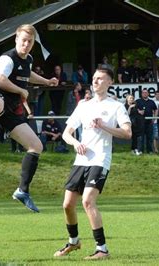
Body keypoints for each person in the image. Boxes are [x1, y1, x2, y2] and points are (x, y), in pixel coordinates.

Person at [0, 24, 58, 212]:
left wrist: (46, 81)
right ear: (16, 39)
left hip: (12, 110)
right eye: (23, 40)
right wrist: (21, 90)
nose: (26, 44)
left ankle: (22, 191)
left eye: (30, 41)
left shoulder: (28, 59)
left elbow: (27, 74)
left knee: (36, 146)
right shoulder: (7, 58)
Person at [54, 68, 131, 260]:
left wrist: (104, 126)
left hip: (100, 160)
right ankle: (73, 242)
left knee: (87, 200)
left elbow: (127, 133)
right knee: (67, 205)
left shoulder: (116, 106)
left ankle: (102, 249)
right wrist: (76, 143)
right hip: (81, 161)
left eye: (100, 78)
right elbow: (66, 133)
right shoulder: (83, 105)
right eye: (94, 78)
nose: (95, 81)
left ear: (110, 82)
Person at [136, 89, 157, 154]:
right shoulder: (138, 101)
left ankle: (150, 150)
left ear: (148, 94)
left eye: (146, 93)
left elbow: (156, 109)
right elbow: (134, 108)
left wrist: (154, 118)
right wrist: (139, 111)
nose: (145, 94)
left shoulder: (151, 102)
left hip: (149, 122)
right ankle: (140, 150)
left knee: (150, 137)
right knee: (141, 137)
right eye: (143, 93)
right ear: (141, 94)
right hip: (141, 122)